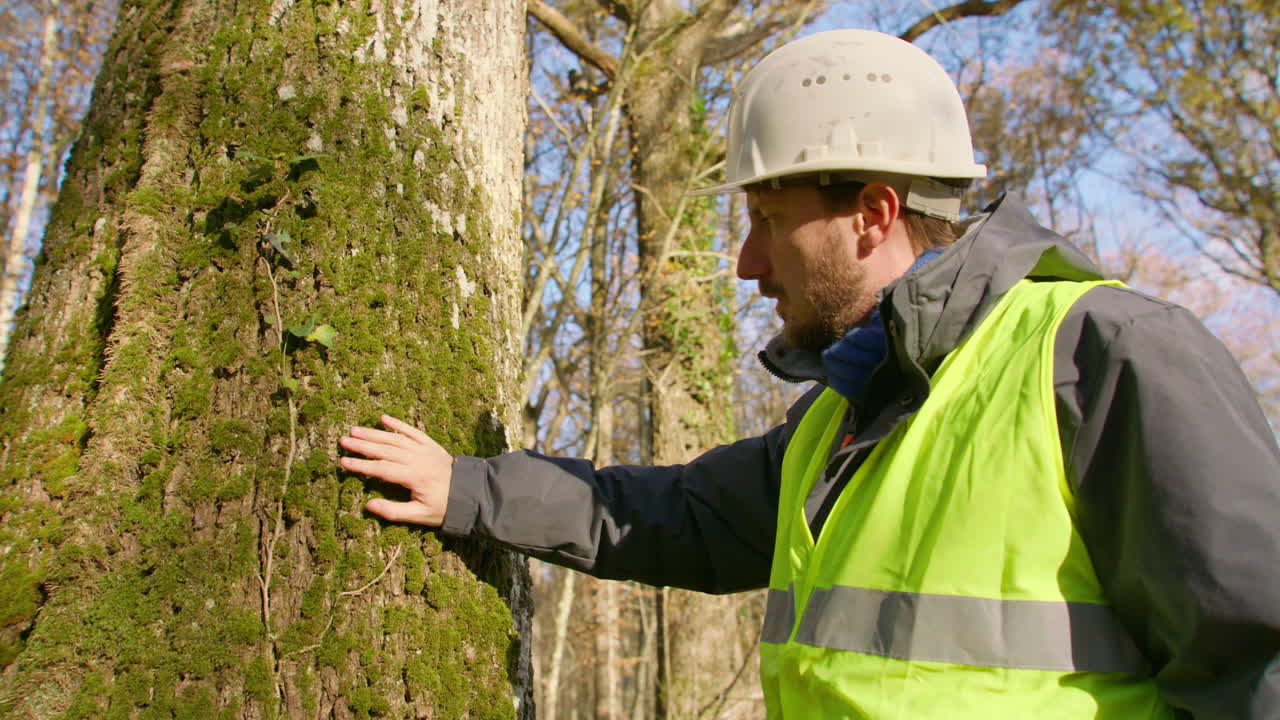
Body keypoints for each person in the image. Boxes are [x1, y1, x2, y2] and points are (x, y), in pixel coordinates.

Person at [338, 29, 1280, 719]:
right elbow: (676, 518)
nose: (747, 264)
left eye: (768, 220)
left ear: (872, 214)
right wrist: (470, 486)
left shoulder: (1101, 352)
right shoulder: (846, 414)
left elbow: (1257, 662)